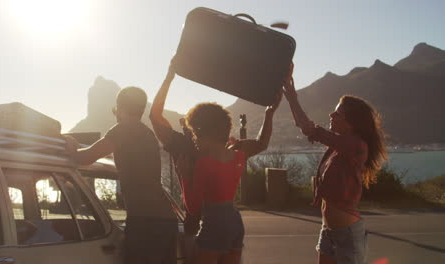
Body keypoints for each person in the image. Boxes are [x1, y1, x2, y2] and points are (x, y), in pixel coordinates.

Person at [149, 61, 283, 264]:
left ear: (199, 132)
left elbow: (155, 116)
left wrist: (169, 77)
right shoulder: (235, 151)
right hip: (234, 222)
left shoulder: (188, 149)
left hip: (203, 227)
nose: (193, 137)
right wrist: (269, 114)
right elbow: (262, 143)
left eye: (194, 132)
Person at [283, 64, 387, 264]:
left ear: (351, 122)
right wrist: (290, 95)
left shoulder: (357, 146)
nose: (331, 115)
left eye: (337, 114)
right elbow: (304, 126)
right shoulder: (338, 148)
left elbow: (309, 128)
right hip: (328, 231)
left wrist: (292, 95)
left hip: (347, 236)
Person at [65, 86, 177, 264]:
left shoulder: (121, 129)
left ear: (120, 107)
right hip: (166, 221)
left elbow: (84, 158)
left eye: (115, 110)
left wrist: (70, 144)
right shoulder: (147, 134)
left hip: (145, 221)